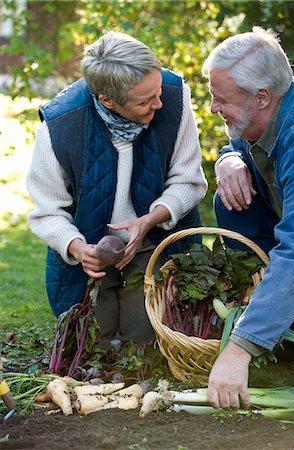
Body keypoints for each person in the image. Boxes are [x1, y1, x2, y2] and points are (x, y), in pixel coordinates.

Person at [26, 31, 207, 344]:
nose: (159, 103)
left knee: (144, 340)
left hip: (155, 239)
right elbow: (47, 212)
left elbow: (188, 180)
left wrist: (150, 220)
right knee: (95, 341)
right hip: (90, 249)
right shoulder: (58, 127)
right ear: (107, 99)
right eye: (145, 101)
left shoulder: (175, 98)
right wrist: (79, 249)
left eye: (159, 91)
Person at [201, 27, 294, 409]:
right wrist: (228, 158)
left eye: (219, 99)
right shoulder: (270, 108)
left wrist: (239, 349)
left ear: (261, 97)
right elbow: (239, 135)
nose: (212, 108)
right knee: (232, 199)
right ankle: (280, 320)